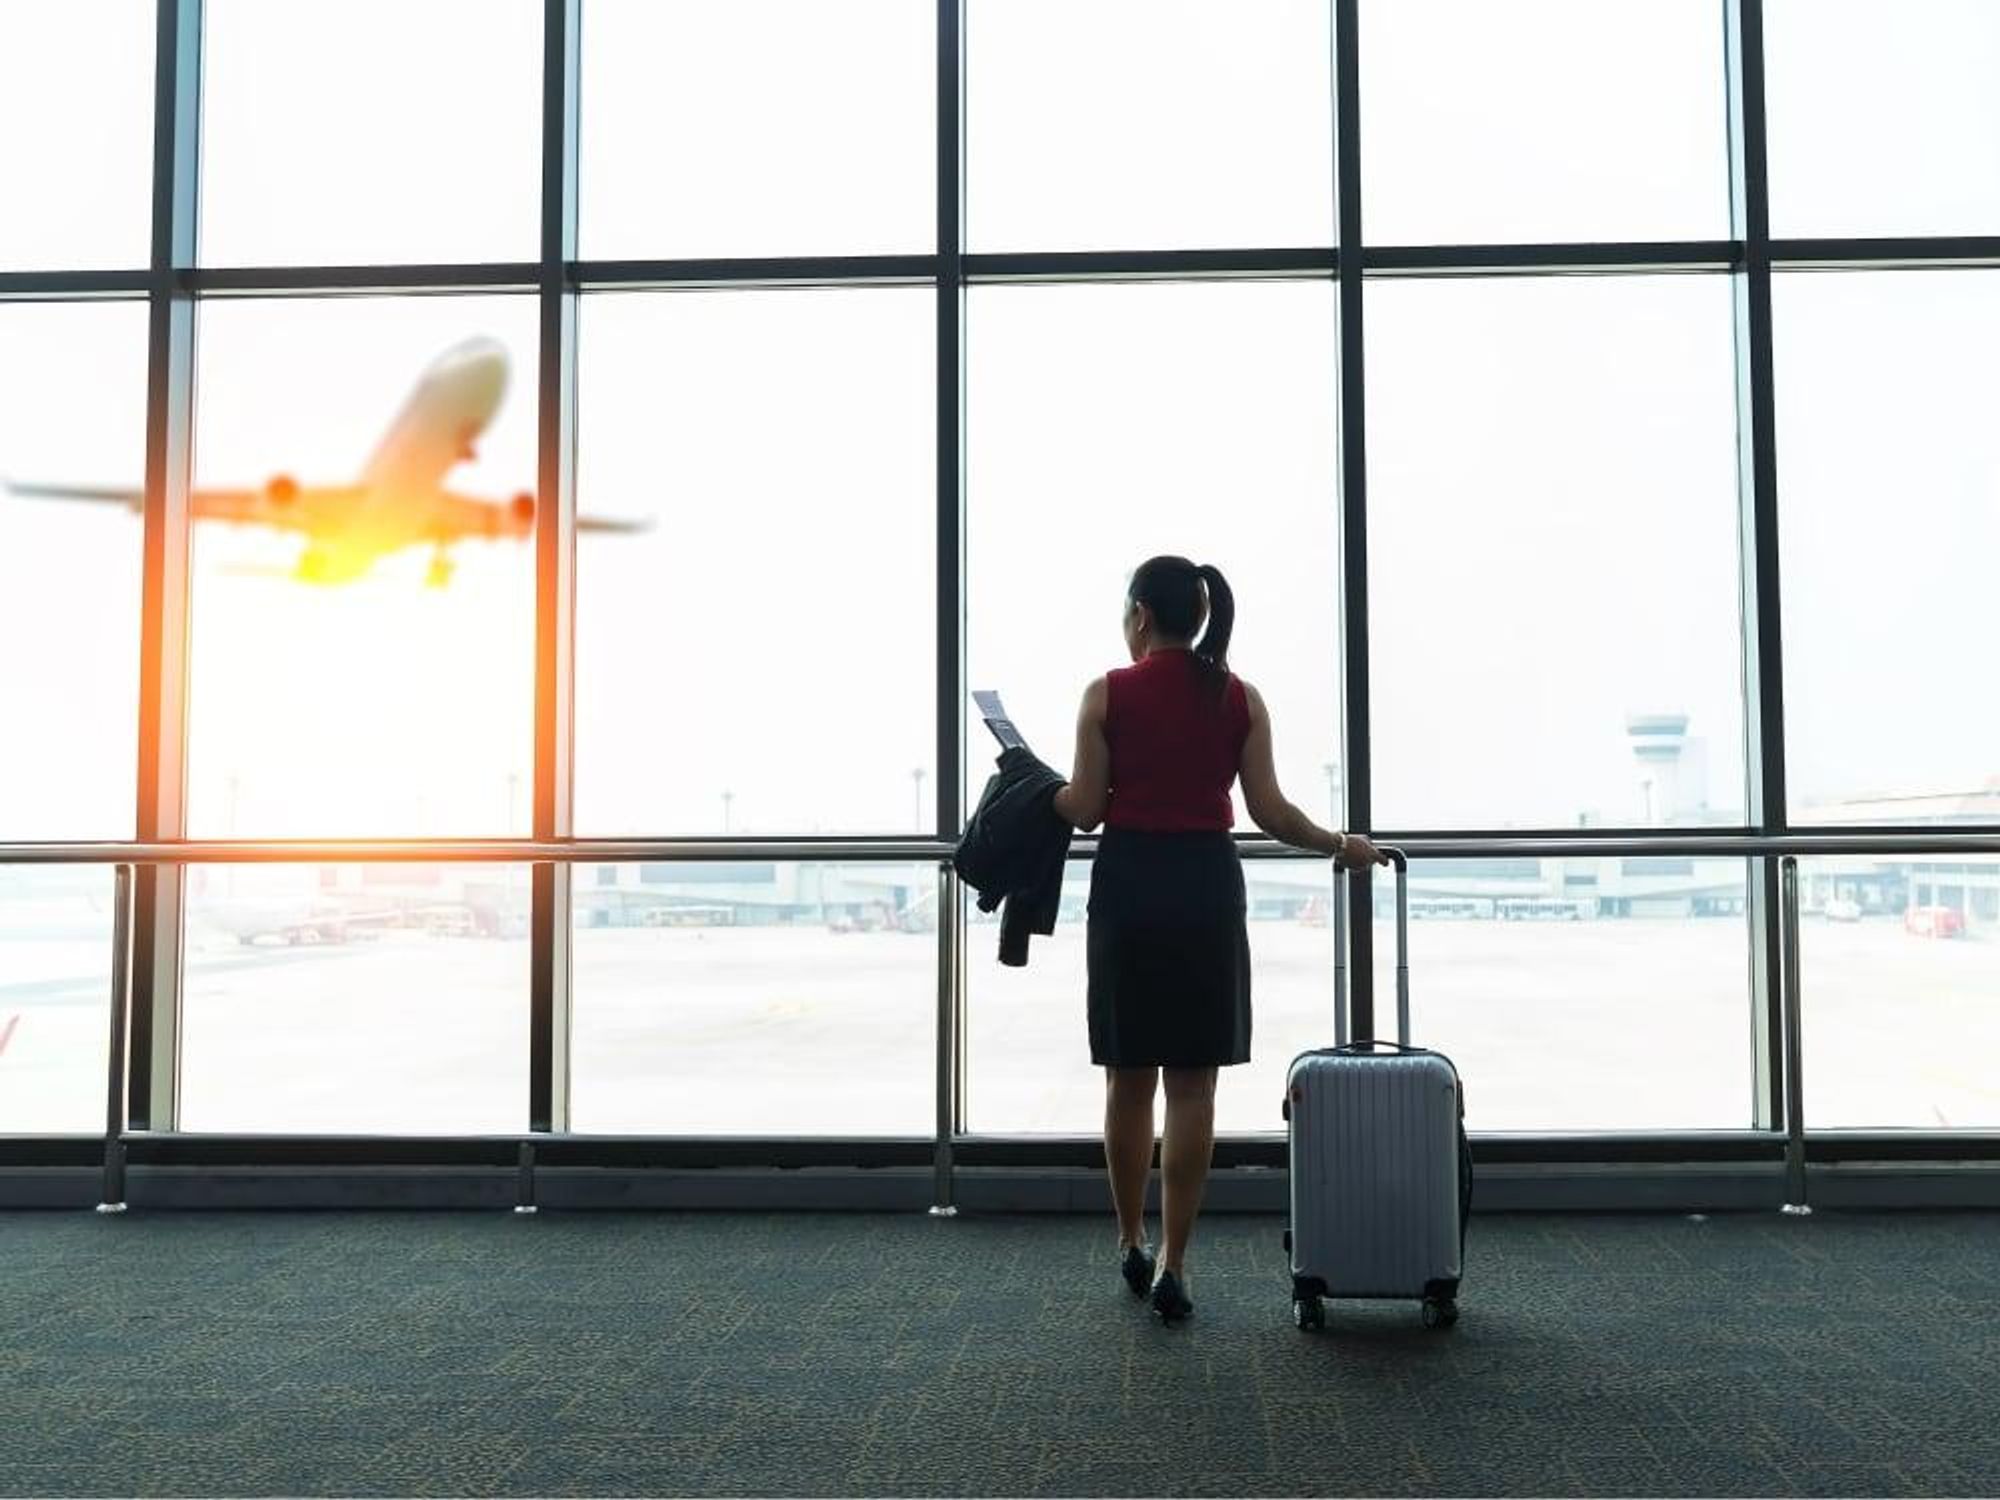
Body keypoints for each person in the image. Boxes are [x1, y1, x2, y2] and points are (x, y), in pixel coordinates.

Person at [1049, 555, 1387, 1325]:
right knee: (1193, 1086)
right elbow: (1269, 810)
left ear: (1139, 614)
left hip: (1130, 887)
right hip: (1205, 887)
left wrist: (1029, 781)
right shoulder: (1240, 698)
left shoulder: (1107, 693)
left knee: (1126, 1079)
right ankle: (1176, 1261)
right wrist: (1340, 842)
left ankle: (1131, 1240)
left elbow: (1083, 810)